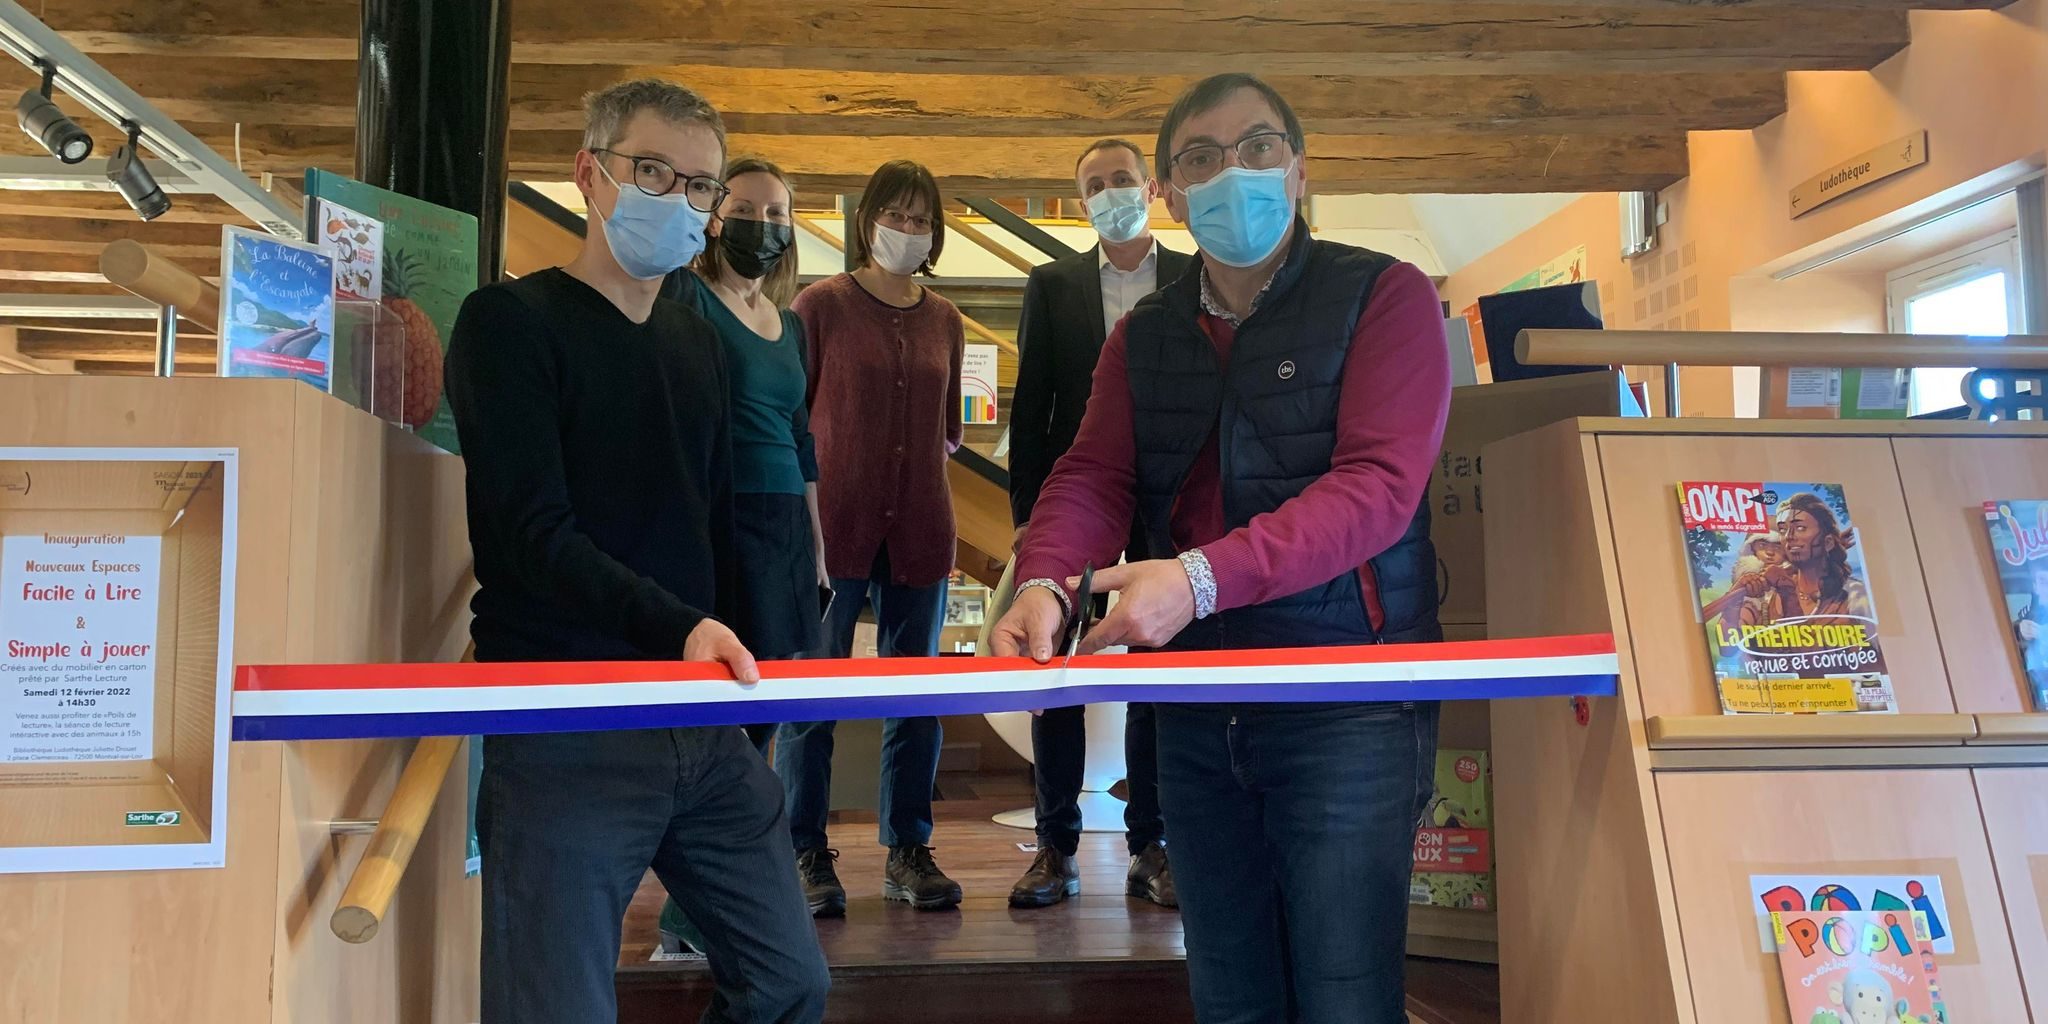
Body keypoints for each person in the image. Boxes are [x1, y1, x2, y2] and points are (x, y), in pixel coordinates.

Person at [990, 73, 1452, 1022]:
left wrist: (1198, 580)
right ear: (1169, 191)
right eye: (1199, 159)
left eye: (1256, 148)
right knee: (1230, 993)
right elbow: (1092, 475)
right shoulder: (1143, 336)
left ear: (1298, 168)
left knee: (1345, 994)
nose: (1230, 172)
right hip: (1198, 708)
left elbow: (1378, 491)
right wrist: (1044, 579)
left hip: (1347, 702)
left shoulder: (1387, 297)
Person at [445, 79, 828, 1023]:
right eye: (652, 171)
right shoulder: (509, 325)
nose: (679, 200)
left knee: (790, 981)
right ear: (590, 172)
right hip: (565, 721)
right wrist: (684, 625)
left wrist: (743, 671)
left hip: (699, 720)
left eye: (699, 186)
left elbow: (717, 521)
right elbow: (530, 536)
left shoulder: (697, 344)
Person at [1005, 137, 1192, 910]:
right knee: (1057, 671)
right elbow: (1032, 405)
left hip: (1164, 500)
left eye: (1122, 179)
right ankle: (1056, 846)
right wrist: (1028, 524)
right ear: (1079, 201)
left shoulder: (1192, 275)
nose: (1110, 191)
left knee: (1153, 668)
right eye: (1094, 184)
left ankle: (1152, 843)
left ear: (1148, 187)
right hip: (1077, 500)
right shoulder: (1052, 285)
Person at [778, 159, 967, 915]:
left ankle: (909, 849)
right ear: (868, 220)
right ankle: (805, 848)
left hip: (922, 526)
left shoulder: (947, 318)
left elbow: (948, 433)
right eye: (897, 214)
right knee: (812, 691)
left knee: (914, 693)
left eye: (923, 219)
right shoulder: (819, 305)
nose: (908, 230)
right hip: (832, 530)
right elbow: (794, 420)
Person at [653, 157, 829, 956]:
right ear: (717, 217)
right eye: (748, 206)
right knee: (724, 718)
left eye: (779, 212)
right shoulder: (687, 297)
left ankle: (723, 900)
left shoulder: (789, 324)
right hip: (721, 523)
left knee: (765, 719)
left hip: (786, 525)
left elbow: (801, 441)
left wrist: (818, 547)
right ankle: (691, 910)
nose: (765, 222)